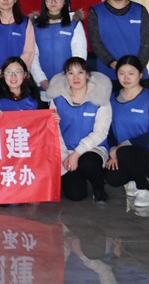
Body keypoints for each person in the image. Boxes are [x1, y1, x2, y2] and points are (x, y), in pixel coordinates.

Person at [46, 56, 112, 203]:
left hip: (93, 149)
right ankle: (79, 175)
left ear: (87, 75)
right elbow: (54, 132)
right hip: (66, 151)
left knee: (88, 162)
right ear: (65, 76)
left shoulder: (100, 98)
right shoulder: (57, 99)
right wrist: (65, 157)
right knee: (75, 195)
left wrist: (77, 154)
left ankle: (99, 187)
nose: (75, 77)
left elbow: (101, 132)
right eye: (71, 73)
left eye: (80, 72)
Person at [105, 56, 149, 207]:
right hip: (121, 152)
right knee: (113, 178)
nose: (126, 78)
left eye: (131, 73)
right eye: (121, 73)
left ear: (140, 75)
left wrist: (122, 146)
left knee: (127, 152)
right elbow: (109, 129)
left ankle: (144, 189)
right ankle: (135, 176)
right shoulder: (112, 99)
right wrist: (113, 149)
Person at [88, 0, 149, 84]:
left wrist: (135, 68)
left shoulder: (140, 10)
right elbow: (95, 43)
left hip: (137, 76)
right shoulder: (96, 11)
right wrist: (113, 64)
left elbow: (147, 43)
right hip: (107, 76)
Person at [31, 0, 86, 88]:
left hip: (69, 84)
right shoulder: (35, 25)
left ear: (64, 0)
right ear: (44, 1)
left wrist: (70, 79)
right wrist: (43, 81)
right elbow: (33, 56)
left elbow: (79, 55)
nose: (53, 2)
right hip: (42, 85)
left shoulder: (74, 23)